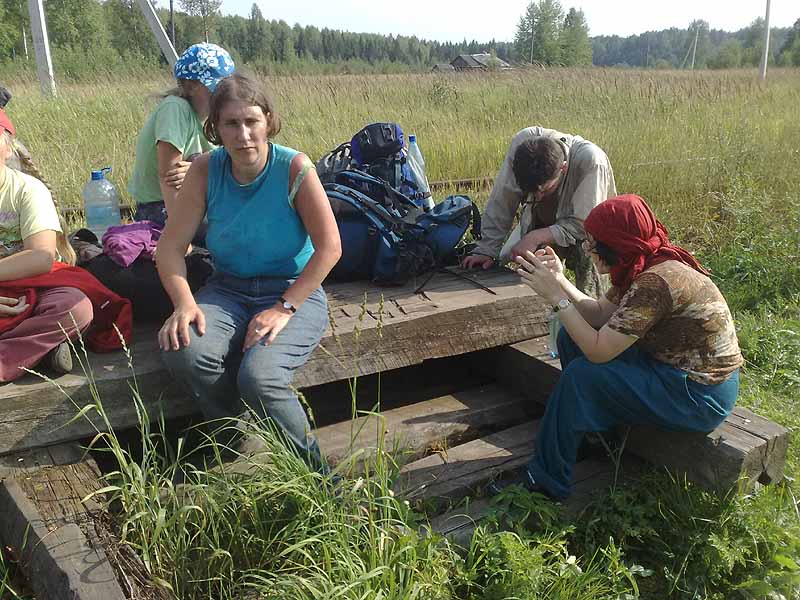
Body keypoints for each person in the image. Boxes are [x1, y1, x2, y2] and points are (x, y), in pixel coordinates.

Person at [495, 194, 743, 500]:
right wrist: (559, 279)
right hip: (673, 370)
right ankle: (594, 433)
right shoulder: (642, 263)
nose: (587, 249)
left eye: (592, 242)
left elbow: (599, 351)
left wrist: (556, 299)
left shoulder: (654, 283)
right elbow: (599, 314)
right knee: (572, 338)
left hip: (699, 394)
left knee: (582, 376)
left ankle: (544, 481)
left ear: (615, 245)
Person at [156, 73, 342, 467]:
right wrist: (184, 302)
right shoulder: (206, 170)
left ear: (268, 121)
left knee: (260, 377)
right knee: (183, 349)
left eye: (251, 121)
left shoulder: (294, 167)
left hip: (291, 290)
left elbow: (330, 248)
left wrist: (284, 308)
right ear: (215, 128)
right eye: (231, 123)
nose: (243, 135)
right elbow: (170, 248)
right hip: (227, 289)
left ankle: (318, 479)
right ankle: (231, 434)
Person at [461, 126, 617, 297]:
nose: (538, 197)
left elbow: (584, 226)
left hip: (587, 235)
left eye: (545, 190)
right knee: (530, 279)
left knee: (588, 252)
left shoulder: (591, 161)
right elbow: (502, 200)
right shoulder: (524, 143)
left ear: (563, 168)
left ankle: (591, 312)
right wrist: (486, 249)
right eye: (532, 191)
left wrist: (534, 237)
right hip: (544, 224)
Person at [0, 109, 92, 381]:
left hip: (33, 286)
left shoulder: (27, 190)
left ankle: (11, 356)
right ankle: (42, 351)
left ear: (8, 150)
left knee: (75, 307)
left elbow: (41, 257)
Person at [128, 43, 235, 227]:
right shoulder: (175, 108)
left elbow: (232, 163)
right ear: (191, 86)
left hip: (197, 198)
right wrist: (177, 234)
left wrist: (201, 171)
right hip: (162, 207)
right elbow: (169, 176)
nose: (222, 95)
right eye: (216, 88)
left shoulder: (214, 114)